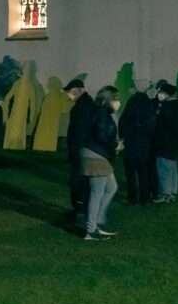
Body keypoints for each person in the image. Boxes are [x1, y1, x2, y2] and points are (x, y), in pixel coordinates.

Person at [81, 86, 121, 240]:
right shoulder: (103, 114)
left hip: (95, 154)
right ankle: (91, 230)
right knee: (97, 193)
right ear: (109, 100)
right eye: (116, 98)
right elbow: (101, 136)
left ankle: (97, 221)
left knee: (111, 187)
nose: (118, 102)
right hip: (96, 155)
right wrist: (115, 145)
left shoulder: (98, 112)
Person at [119, 80, 156, 205]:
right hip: (143, 143)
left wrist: (123, 137)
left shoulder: (132, 101)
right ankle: (144, 197)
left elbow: (123, 121)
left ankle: (133, 197)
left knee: (130, 173)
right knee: (143, 172)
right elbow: (151, 123)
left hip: (131, 142)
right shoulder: (148, 103)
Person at [64, 78, 94, 221]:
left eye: (70, 92)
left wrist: (75, 150)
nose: (69, 95)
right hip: (84, 150)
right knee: (82, 181)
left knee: (78, 181)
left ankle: (79, 209)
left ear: (78, 91)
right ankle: (80, 208)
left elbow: (78, 131)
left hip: (80, 150)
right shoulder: (87, 104)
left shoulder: (81, 107)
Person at [152, 83, 178, 204]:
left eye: (161, 92)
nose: (158, 95)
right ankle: (172, 192)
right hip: (173, 144)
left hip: (164, 143)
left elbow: (168, 125)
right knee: (172, 168)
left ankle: (165, 194)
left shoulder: (167, 107)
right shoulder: (177, 105)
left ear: (167, 94)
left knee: (163, 168)